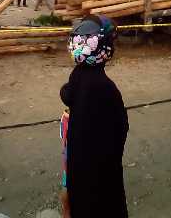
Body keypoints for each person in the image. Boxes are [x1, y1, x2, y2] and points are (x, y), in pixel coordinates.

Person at [60, 15, 128, 217]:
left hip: (78, 159)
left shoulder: (77, 74)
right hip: (101, 166)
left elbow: (67, 94)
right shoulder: (106, 87)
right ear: (106, 48)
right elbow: (120, 128)